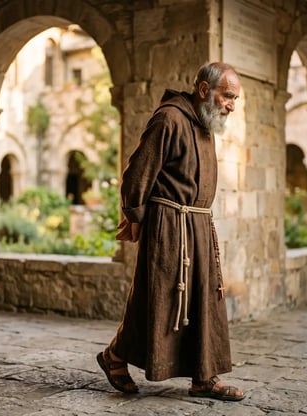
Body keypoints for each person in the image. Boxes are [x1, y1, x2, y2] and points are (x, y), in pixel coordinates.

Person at [97, 62, 245, 401]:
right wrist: (135, 216)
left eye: (235, 99)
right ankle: (115, 356)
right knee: (158, 300)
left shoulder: (205, 125)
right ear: (204, 90)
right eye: (227, 96)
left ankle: (203, 378)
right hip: (169, 227)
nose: (231, 105)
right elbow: (137, 173)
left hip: (197, 226)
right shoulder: (169, 119)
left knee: (204, 300)